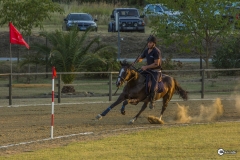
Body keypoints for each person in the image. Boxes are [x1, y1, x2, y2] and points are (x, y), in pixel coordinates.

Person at [136, 35, 162, 109]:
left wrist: (146, 67)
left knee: (153, 87)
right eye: (148, 42)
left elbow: (157, 63)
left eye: (150, 43)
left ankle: (152, 101)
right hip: (148, 70)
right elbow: (142, 57)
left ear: (154, 43)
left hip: (156, 71)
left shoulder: (156, 51)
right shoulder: (146, 50)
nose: (148, 44)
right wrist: (138, 59)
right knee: (137, 75)